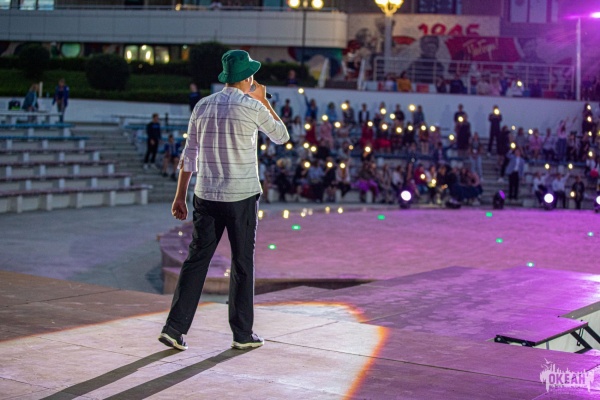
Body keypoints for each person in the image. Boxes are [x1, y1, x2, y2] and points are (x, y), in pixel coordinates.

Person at [159, 49, 289, 351]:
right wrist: (264, 101)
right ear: (247, 77)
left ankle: (174, 328)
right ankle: (242, 333)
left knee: (196, 260)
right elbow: (281, 136)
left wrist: (180, 196)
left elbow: (189, 153)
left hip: (205, 194)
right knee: (242, 263)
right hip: (241, 196)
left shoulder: (202, 106)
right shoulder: (252, 106)